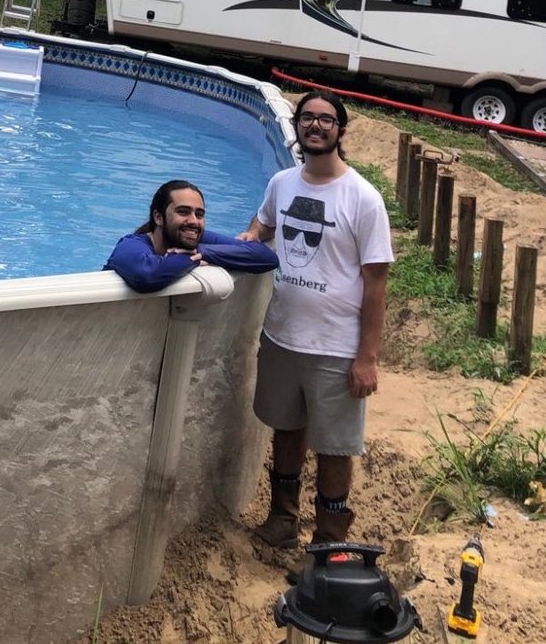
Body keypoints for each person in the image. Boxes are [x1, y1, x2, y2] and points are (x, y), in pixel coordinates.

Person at [238, 91, 393, 554]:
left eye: (327, 120)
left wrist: (366, 357)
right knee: (286, 429)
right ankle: (282, 520)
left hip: (335, 346)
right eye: (308, 118)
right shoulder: (283, 183)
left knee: (334, 447)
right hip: (282, 335)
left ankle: (328, 543)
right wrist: (250, 236)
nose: (316, 126)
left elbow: (377, 284)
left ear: (340, 131)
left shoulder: (363, 199)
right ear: (299, 126)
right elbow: (265, 223)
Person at [104, 180, 278, 293]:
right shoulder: (130, 245)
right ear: (158, 217)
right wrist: (192, 258)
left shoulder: (197, 240)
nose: (193, 221)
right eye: (183, 212)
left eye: (200, 214)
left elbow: (266, 258)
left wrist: (203, 252)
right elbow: (147, 275)